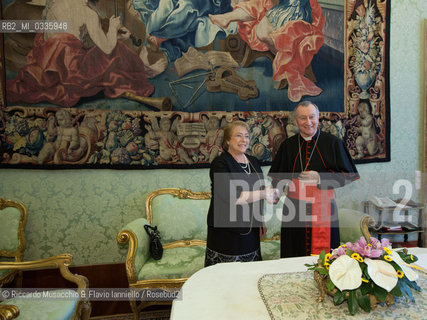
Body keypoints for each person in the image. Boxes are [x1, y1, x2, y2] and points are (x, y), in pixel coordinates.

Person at [6, 0, 154, 107]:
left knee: (112, 46)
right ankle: (139, 74)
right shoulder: (88, 13)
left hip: (51, 65)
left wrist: (115, 35)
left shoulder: (55, 3)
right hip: (73, 73)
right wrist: (114, 28)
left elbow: (78, 40)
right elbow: (108, 49)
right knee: (119, 50)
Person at [268, 101, 359, 258]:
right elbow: (278, 177)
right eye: (303, 118)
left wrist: (319, 177)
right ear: (296, 121)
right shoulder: (287, 146)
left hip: (324, 209)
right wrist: (274, 194)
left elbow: (348, 175)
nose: (308, 122)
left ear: (318, 118)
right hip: (295, 211)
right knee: (293, 252)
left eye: (312, 117)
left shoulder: (333, 143)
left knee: (326, 259)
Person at [209, 0, 325, 102]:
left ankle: (286, 62)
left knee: (260, 16)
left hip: (297, 12)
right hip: (282, 7)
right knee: (258, 5)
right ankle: (227, 17)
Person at [205, 120, 279, 267]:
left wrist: (260, 220)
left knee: (250, 275)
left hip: (251, 229)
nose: (244, 140)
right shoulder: (220, 164)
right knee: (228, 278)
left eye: (246, 136)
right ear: (227, 140)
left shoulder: (253, 161)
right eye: (238, 136)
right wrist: (265, 193)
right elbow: (233, 197)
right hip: (227, 232)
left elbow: (258, 189)